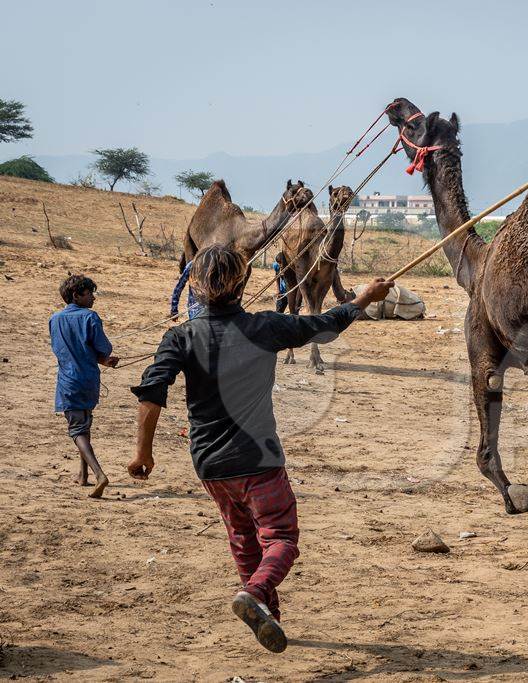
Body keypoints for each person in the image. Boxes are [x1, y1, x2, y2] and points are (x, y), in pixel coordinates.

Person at [127, 245, 393, 653]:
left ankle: (267, 614)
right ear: (244, 283)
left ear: (194, 285)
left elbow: (151, 393)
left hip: (210, 464)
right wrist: (362, 299)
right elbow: (324, 325)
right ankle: (255, 594)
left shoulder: (180, 337)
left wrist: (143, 453)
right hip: (259, 460)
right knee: (281, 538)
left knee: (243, 539)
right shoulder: (265, 327)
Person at [49, 274, 120, 499]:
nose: (93, 298)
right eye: (89, 293)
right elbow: (102, 348)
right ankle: (84, 475)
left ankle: (99, 474)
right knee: (84, 425)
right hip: (89, 379)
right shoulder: (90, 318)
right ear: (76, 295)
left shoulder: (55, 319)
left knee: (77, 428)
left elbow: (62, 350)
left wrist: (100, 358)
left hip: (69, 381)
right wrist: (104, 359)